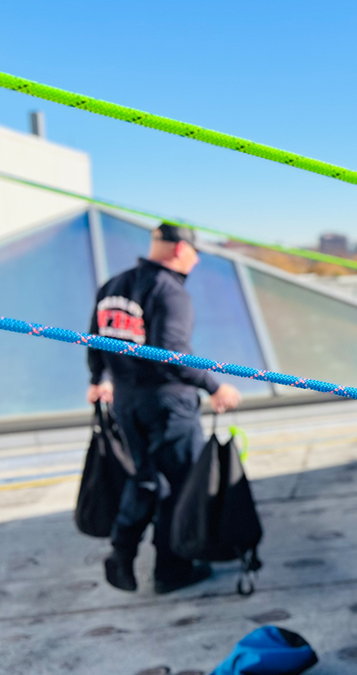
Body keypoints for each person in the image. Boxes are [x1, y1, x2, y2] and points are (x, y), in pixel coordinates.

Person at [87, 223, 242, 594]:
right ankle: (171, 570)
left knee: (145, 478)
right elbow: (172, 354)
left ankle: (121, 553)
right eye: (195, 252)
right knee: (178, 486)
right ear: (179, 250)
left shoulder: (114, 285)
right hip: (168, 403)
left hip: (127, 400)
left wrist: (99, 378)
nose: (197, 260)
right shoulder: (170, 291)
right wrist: (214, 386)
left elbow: (93, 339)